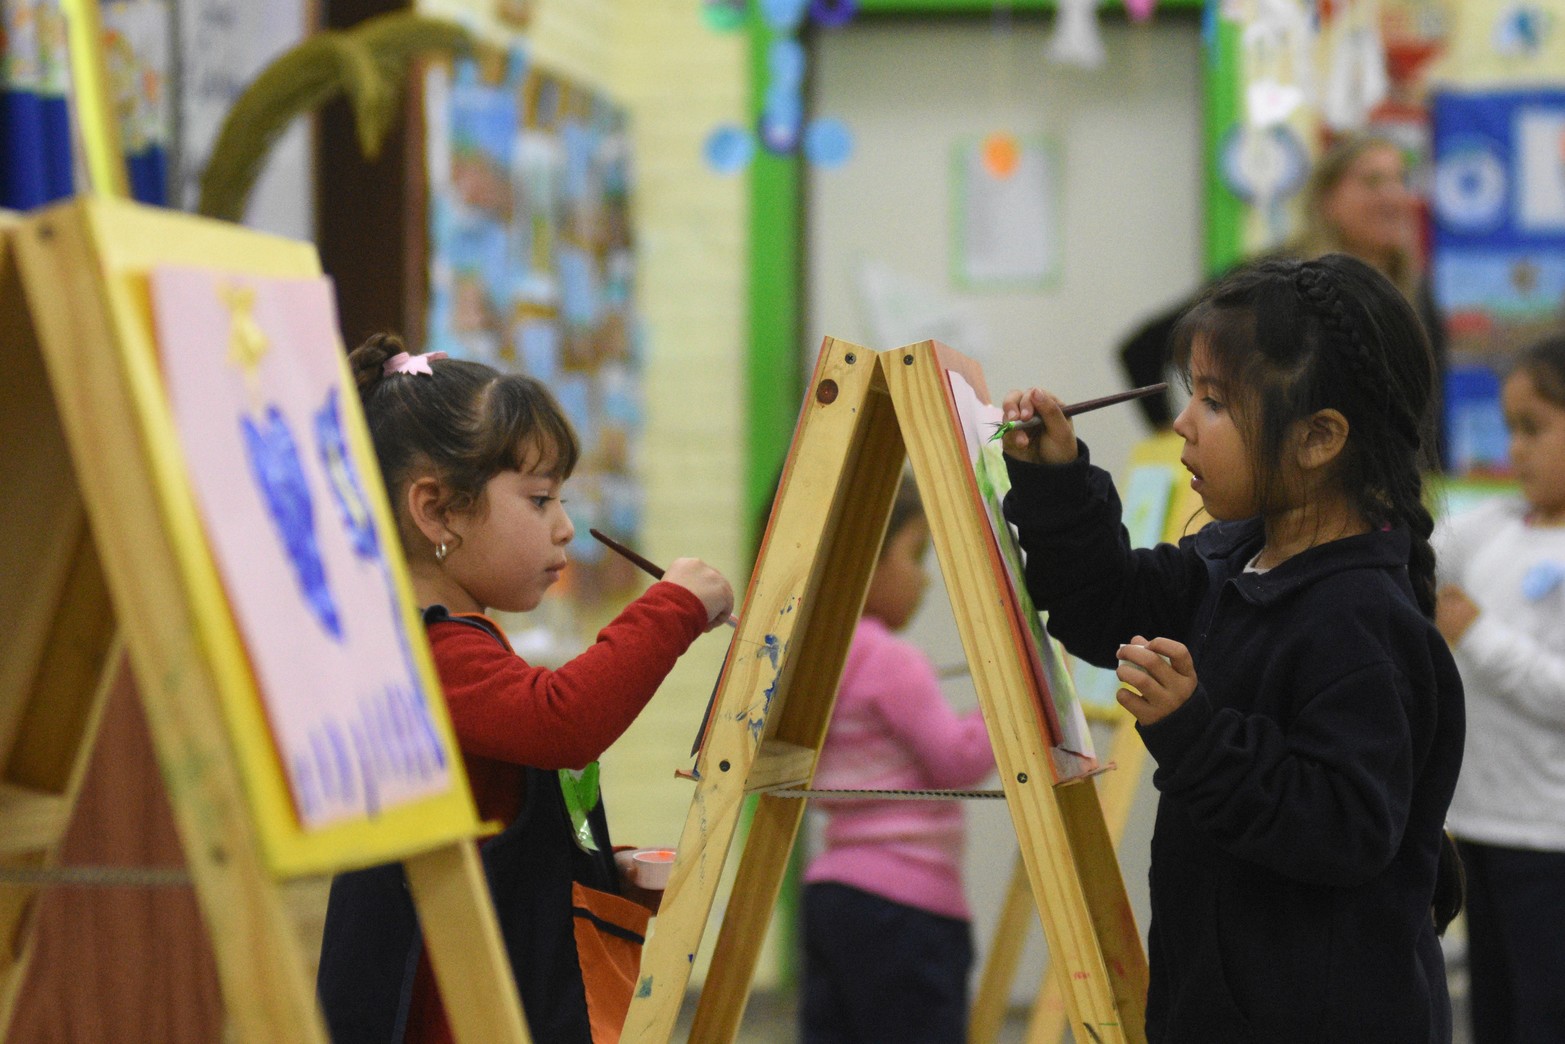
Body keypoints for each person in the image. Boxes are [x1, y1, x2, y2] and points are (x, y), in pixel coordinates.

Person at [999, 253, 1465, 1042]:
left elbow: (1343, 828)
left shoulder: (1359, 619)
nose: (1182, 422)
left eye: (1213, 403)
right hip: (1213, 1003)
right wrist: (1054, 482)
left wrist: (1196, 733)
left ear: (1318, 439)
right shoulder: (1229, 560)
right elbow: (1103, 604)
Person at [315, 334, 734, 1043]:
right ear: (438, 510)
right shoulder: (429, 652)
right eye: (540, 500)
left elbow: (509, 825)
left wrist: (603, 868)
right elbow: (560, 721)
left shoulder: (463, 644)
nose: (565, 527)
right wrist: (673, 608)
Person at [799, 477, 995, 1043]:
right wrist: (1008, 708)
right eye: (915, 554)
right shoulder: (890, 658)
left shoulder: (820, 654)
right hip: (907, 907)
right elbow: (956, 761)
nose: (926, 576)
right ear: (866, 561)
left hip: (834, 895)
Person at [1117, 131, 1446, 449]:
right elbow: (1145, 348)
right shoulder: (1276, 279)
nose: (1393, 195)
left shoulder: (1415, 292)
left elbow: (1430, 411)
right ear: (1326, 199)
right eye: (1372, 181)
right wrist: (1177, 443)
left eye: (1401, 180)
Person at [1433, 334, 1565, 1044]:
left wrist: (1477, 636)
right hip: (1478, 823)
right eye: (1510, 427)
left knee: (1545, 1017)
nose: (1515, 449)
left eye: (1534, 428)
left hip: (1549, 840)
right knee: (1493, 1014)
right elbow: (1414, 548)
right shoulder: (1489, 530)